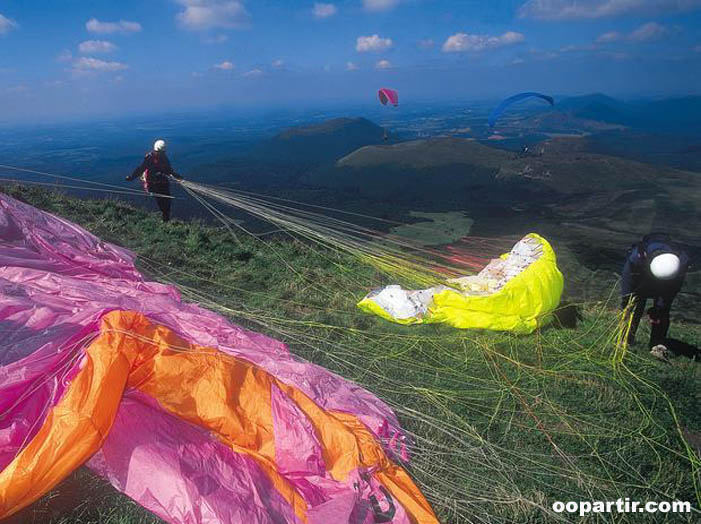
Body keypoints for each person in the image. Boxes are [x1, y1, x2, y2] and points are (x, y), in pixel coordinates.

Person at [621, 233, 690, 354]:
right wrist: (627, 298)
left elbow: (672, 290)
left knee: (661, 313)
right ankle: (625, 340)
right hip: (641, 279)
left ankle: (657, 345)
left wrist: (659, 307)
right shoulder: (637, 257)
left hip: (667, 284)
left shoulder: (680, 263)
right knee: (632, 308)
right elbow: (628, 280)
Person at [126, 139, 182, 222]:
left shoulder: (162, 157)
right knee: (162, 201)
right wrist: (132, 177)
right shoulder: (151, 158)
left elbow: (168, 170)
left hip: (161, 181)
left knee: (166, 201)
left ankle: (165, 218)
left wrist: (177, 176)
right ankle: (164, 219)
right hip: (153, 183)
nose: (163, 153)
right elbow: (141, 169)